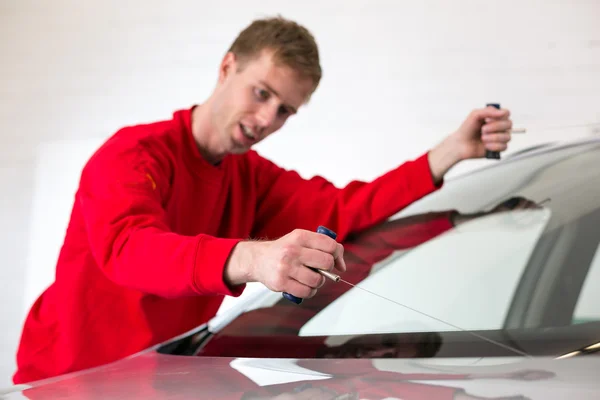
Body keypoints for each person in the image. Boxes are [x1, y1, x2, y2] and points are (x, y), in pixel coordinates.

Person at [13, 15, 514, 384]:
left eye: (285, 111)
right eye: (260, 93)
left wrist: (450, 152)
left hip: (165, 379)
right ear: (227, 67)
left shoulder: (250, 177)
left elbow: (343, 209)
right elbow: (129, 249)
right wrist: (251, 257)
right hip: (70, 381)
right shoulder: (133, 154)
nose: (267, 119)